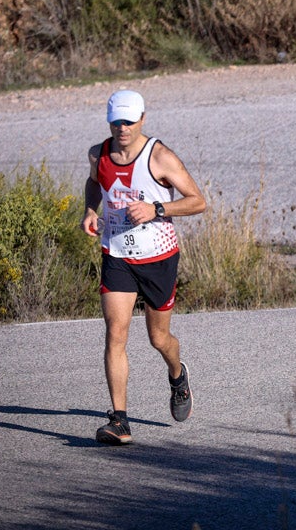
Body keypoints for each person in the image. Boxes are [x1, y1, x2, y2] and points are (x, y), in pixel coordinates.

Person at [81, 89, 206, 445]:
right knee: (115, 334)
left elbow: (198, 201)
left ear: (143, 119)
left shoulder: (160, 157)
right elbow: (94, 184)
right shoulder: (98, 154)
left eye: (129, 121)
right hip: (117, 255)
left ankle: (178, 375)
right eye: (116, 121)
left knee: (158, 339)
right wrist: (91, 210)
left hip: (158, 259)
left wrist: (157, 209)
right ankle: (119, 420)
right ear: (109, 121)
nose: (123, 128)